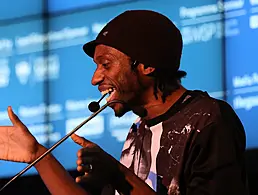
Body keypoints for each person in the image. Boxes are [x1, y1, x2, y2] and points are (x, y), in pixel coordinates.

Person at [0, 10, 248, 195]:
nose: (95, 78)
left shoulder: (208, 118)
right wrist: (39, 155)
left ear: (147, 65)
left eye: (105, 64)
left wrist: (118, 174)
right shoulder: (137, 133)